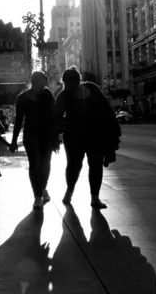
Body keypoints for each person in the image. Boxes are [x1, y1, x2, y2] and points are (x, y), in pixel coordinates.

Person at [54, 66, 121, 209]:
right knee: (73, 166)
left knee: (96, 165)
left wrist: (112, 133)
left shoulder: (92, 88)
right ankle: (69, 191)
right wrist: (54, 137)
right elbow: (56, 118)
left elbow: (107, 110)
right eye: (64, 84)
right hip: (73, 137)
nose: (66, 87)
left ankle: (95, 198)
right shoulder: (63, 95)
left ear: (77, 81)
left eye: (68, 84)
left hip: (95, 135)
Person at [10, 71, 59, 210]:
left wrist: (55, 138)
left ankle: (43, 188)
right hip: (31, 137)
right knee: (34, 165)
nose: (44, 85)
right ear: (34, 82)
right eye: (42, 83)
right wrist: (14, 141)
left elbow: (54, 116)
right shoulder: (22, 98)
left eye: (45, 83)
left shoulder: (47, 94)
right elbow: (18, 121)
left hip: (47, 136)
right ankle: (37, 196)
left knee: (46, 165)